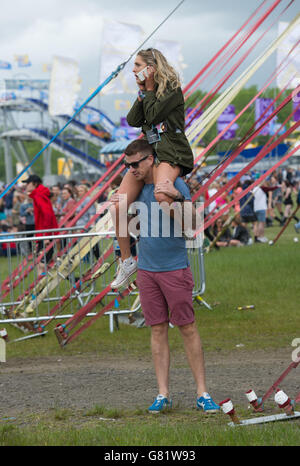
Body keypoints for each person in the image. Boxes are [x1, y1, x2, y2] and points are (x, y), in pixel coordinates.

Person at [110, 138, 220, 414]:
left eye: (136, 164)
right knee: (157, 330)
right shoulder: (135, 189)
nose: (131, 169)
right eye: (127, 165)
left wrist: (175, 200)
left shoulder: (171, 185)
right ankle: (163, 394)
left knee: (187, 328)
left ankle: (202, 393)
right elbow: (123, 216)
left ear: (151, 160)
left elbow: (192, 226)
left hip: (174, 268)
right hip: (147, 270)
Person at [110, 48, 194, 289]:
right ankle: (127, 261)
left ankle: (188, 227)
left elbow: (155, 115)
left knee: (162, 195)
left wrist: (146, 91)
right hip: (150, 153)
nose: (134, 70)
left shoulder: (171, 91)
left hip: (171, 153)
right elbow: (133, 120)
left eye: (137, 65)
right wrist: (142, 93)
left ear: (151, 68)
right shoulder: (146, 94)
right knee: (117, 206)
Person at [22, 174, 59, 274]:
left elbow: (47, 214)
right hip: (45, 232)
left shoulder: (38, 195)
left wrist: (46, 235)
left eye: (28, 183)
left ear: (34, 183)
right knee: (41, 262)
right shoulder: (39, 194)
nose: (26, 185)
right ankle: (41, 286)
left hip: (46, 233)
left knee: (42, 262)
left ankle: (41, 286)